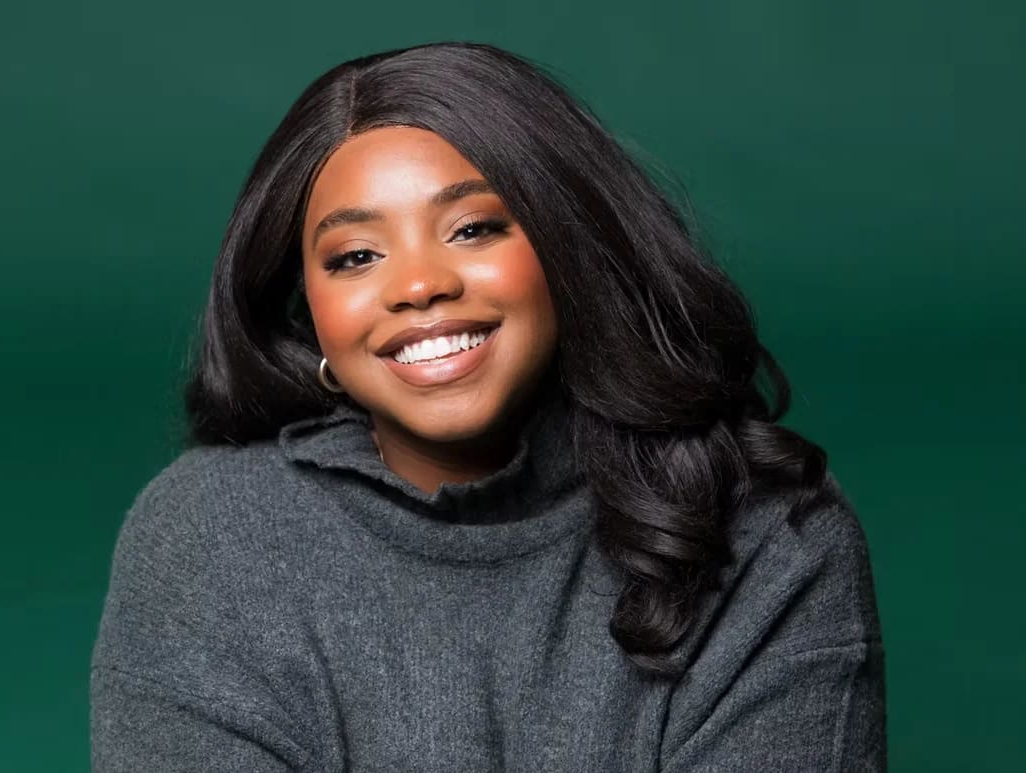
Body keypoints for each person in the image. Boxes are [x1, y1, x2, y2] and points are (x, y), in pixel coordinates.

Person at [89, 41, 885, 772]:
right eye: (356, 255)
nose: (418, 285)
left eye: (472, 228)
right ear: (310, 310)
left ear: (570, 249)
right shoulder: (210, 538)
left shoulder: (772, 536)